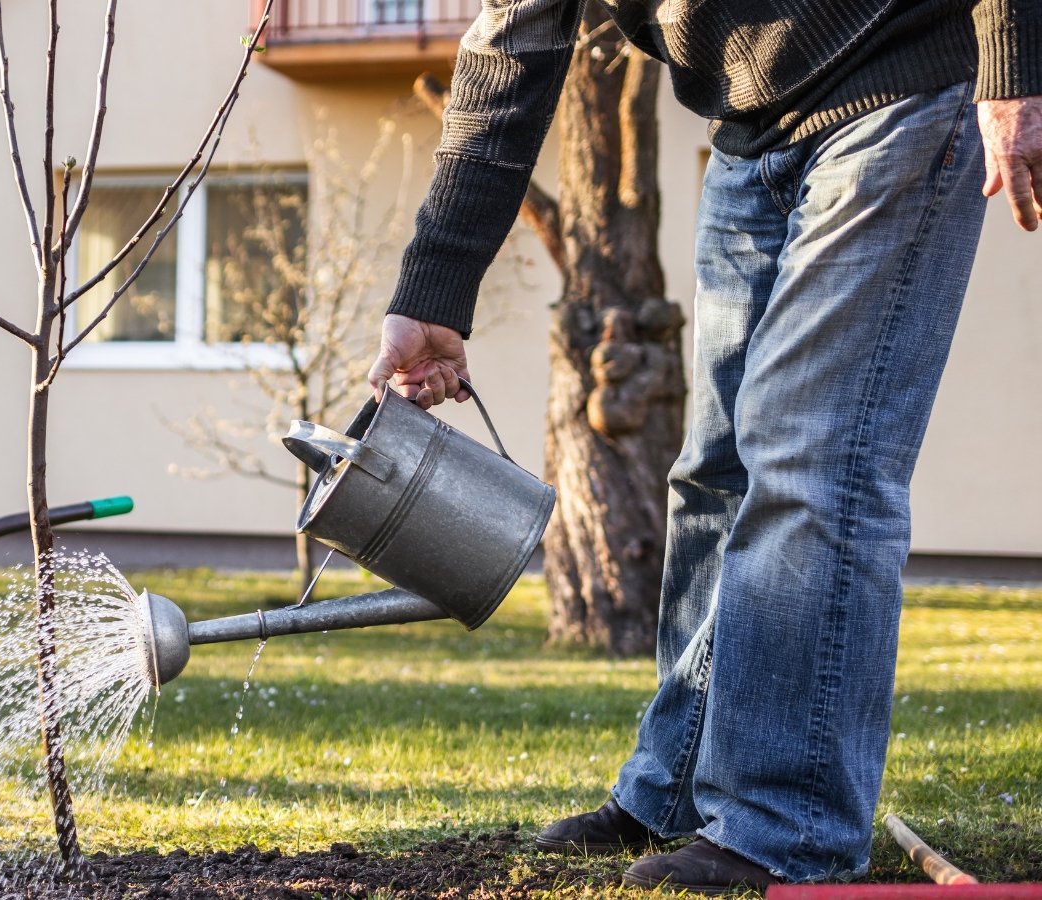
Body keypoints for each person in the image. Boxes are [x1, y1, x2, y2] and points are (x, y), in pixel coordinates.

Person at [366, 0, 1040, 892]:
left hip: (901, 79)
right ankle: (676, 787)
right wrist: (434, 294)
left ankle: (788, 828)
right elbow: (507, 60)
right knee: (714, 478)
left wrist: (1015, 62)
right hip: (749, 128)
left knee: (812, 462)